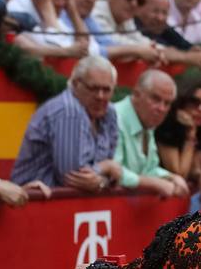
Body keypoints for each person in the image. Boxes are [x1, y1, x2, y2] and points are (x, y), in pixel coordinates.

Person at [11, 56, 121, 192]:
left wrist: (102, 181)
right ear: (75, 84)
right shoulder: (69, 111)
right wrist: (106, 167)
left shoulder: (109, 112)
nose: (100, 96)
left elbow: (107, 176)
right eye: (93, 88)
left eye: (106, 90)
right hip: (33, 201)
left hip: (67, 203)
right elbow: (73, 177)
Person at [113, 70, 189, 198]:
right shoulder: (114, 118)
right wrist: (155, 184)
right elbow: (113, 172)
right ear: (137, 94)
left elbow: (149, 169)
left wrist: (170, 177)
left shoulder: (146, 121)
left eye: (167, 103)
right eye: (156, 99)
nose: (162, 109)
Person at [91, 0, 169, 65]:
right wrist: (144, 49)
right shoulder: (95, 11)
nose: (134, 4)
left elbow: (139, 39)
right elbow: (110, 42)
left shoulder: (126, 18)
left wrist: (157, 50)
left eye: (139, 0)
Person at [156, 78, 201, 183]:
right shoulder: (167, 123)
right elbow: (179, 174)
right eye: (195, 102)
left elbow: (193, 169)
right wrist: (190, 136)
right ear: (182, 102)